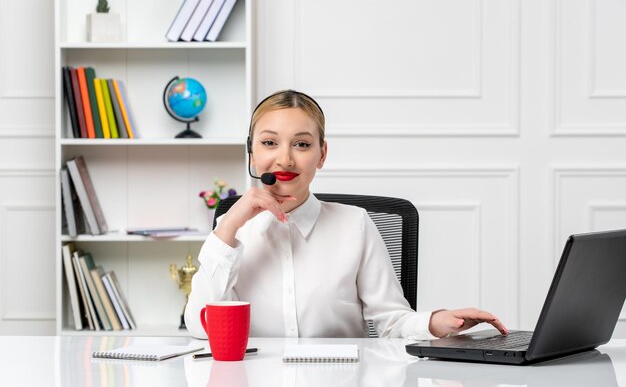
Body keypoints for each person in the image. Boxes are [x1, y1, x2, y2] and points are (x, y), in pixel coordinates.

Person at [184, 89, 508, 339]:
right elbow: (201, 327)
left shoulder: (355, 225)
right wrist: (226, 230)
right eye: (270, 143)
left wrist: (434, 322)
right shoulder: (231, 234)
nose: (284, 159)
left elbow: (391, 323)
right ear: (252, 155)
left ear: (321, 154)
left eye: (301, 144)